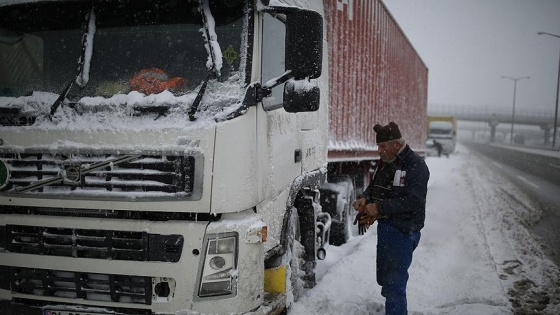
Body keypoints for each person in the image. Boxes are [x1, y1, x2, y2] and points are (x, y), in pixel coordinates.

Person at [352, 121, 430, 315]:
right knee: (385, 281)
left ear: (396, 144)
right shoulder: (386, 162)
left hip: (404, 231)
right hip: (386, 229)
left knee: (395, 285)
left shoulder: (416, 165)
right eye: (378, 146)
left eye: (382, 146)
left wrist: (379, 207)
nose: (379, 150)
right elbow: (376, 186)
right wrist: (365, 198)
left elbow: (413, 200)